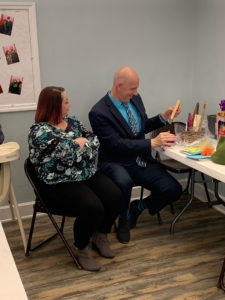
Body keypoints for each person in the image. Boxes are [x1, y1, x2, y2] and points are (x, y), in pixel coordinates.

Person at [28, 86, 123, 271]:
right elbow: (65, 154)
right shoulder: (38, 131)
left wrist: (78, 146)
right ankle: (81, 248)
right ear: (54, 106)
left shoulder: (73, 122)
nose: (69, 105)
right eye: (66, 101)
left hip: (84, 174)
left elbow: (94, 141)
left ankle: (100, 235)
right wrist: (78, 145)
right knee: (93, 207)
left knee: (115, 196)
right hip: (57, 182)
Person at [89, 66, 182, 244]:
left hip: (139, 159)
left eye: (137, 88)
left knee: (173, 190)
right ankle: (123, 217)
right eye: (133, 88)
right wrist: (151, 143)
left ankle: (137, 207)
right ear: (119, 85)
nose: (136, 92)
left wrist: (162, 117)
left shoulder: (135, 99)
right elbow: (115, 144)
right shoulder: (98, 112)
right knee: (124, 182)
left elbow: (140, 128)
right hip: (115, 162)